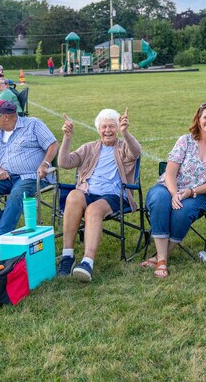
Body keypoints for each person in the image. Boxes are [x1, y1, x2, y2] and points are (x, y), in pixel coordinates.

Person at [143, 103, 206, 278]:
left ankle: (160, 258)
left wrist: (190, 192)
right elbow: (170, 172)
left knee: (183, 211)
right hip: (168, 186)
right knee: (160, 200)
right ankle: (162, 259)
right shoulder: (185, 140)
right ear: (198, 120)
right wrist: (175, 194)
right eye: (205, 117)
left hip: (200, 193)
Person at [56, 108, 141, 282]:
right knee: (73, 195)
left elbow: (136, 152)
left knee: (94, 210)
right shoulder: (89, 148)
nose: (108, 130)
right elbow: (64, 163)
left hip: (114, 195)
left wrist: (126, 133)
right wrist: (67, 137)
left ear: (117, 128)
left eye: (112, 126)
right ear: (98, 129)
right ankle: (67, 255)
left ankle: (87, 262)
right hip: (87, 191)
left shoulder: (123, 147)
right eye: (104, 127)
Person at [0, 100, 58, 257]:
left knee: (17, 193)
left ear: (6, 116)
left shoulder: (33, 124)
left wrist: (45, 164)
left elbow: (52, 145)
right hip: (7, 176)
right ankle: (6, 234)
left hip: (33, 176)